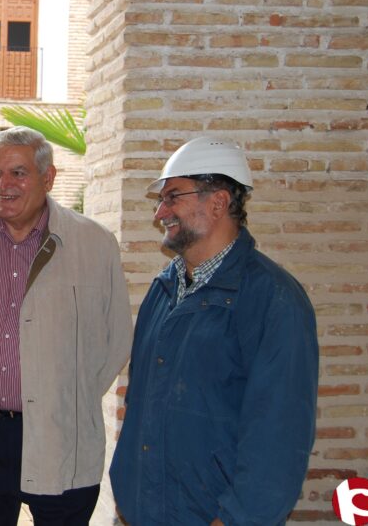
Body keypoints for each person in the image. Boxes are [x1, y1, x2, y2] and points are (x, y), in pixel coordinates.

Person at [109, 136, 319, 525]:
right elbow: (139, 404)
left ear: (218, 202)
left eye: (173, 197)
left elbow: (279, 438)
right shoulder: (164, 288)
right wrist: (127, 493)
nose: (160, 212)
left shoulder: (273, 300)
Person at [0, 126, 132, 526]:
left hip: (61, 435)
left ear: (48, 177)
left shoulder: (95, 243)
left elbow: (115, 340)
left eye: (18, 173)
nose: (3, 185)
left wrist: (66, 397)